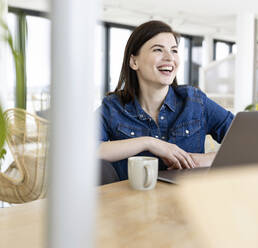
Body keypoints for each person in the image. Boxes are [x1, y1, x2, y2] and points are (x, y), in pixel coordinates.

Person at [98, 20, 234, 181]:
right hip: (131, 202)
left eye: (174, 50)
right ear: (134, 61)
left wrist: (205, 160)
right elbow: (83, 150)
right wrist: (149, 143)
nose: (170, 58)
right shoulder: (113, 107)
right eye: (158, 50)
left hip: (187, 201)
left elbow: (248, 142)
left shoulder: (195, 101)